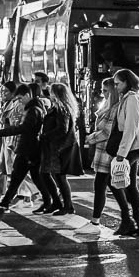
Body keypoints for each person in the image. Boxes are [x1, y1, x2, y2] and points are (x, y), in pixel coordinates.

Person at [0, 83, 48, 224]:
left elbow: (25, 129)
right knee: (34, 177)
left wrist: (3, 132)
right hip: (30, 148)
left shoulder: (33, 110)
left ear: (28, 95)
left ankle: (4, 203)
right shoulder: (33, 108)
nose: (19, 101)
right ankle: (49, 200)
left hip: (28, 149)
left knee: (17, 177)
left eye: (21, 98)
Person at [111, 69, 139, 235]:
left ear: (127, 82)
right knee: (130, 186)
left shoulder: (132, 99)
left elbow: (130, 128)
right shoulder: (128, 98)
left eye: (118, 83)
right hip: (134, 145)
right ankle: (138, 224)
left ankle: (129, 220)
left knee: (114, 180)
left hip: (134, 146)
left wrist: (121, 153)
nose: (115, 87)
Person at [41, 81, 81, 215]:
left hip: (59, 147)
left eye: (52, 92)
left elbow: (62, 129)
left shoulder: (61, 109)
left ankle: (67, 206)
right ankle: (59, 203)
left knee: (59, 177)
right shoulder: (61, 108)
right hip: (56, 147)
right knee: (52, 175)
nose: (49, 94)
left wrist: (45, 136)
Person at [86, 77, 122, 222]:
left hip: (107, 151)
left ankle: (95, 221)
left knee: (100, 186)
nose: (103, 93)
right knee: (114, 187)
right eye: (102, 90)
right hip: (102, 151)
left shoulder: (115, 107)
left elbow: (107, 132)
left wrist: (90, 138)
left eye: (106, 90)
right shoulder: (108, 105)